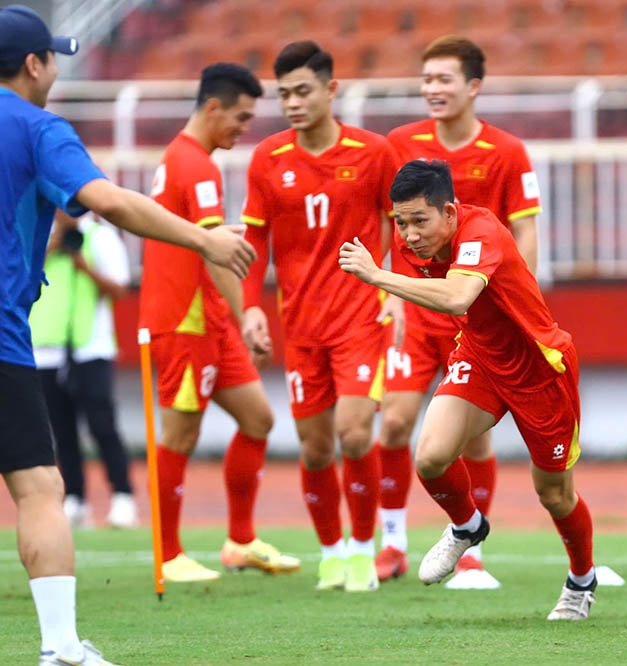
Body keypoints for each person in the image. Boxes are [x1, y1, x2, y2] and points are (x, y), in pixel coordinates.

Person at [0, 5, 255, 665]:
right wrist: (204, 237)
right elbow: (108, 201)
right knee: (39, 489)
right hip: (1, 341)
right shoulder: (38, 127)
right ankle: (59, 648)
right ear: (35, 64)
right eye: (53, 56)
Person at [339, 160, 596, 620]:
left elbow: (457, 297)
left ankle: (581, 579)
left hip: (539, 367)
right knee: (430, 457)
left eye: (421, 220)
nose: (410, 234)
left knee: (554, 494)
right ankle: (467, 526)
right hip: (478, 358)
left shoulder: (481, 232)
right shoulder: (411, 241)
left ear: (451, 213)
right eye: (401, 222)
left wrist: (377, 277)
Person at [375, 35, 542, 587]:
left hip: (477, 313)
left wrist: (524, 302)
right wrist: (388, 291)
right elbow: (388, 218)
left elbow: (524, 229)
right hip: (421, 307)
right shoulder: (400, 141)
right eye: (426, 79)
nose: (433, 89)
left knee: (474, 439)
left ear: (473, 86)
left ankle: (471, 551)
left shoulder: (508, 151)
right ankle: (392, 539)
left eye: (444, 79)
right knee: (395, 420)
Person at [240, 41, 398, 593]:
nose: (291, 102)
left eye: (302, 90)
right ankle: (331, 553)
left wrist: (398, 292)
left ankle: (362, 550)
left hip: (361, 318)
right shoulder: (268, 158)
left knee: (355, 435)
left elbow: (401, 225)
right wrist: (251, 307)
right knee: (314, 447)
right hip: (300, 325)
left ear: (331, 89)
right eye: (283, 93)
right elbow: (254, 240)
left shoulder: (375, 152)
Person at [138, 62, 300, 583]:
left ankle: (241, 541)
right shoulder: (196, 165)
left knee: (258, 419)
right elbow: (212, 253)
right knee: (180, 436)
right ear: (213, 108)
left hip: (208, 319)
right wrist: (249, 310)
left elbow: (198, 236)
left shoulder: (185, 160)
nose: (243, 128)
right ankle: (169, 555)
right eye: (240, 117)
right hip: (185, 319)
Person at [30, 210, 136, 529]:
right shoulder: (40, 237)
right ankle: (74, 497)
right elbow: (18, 279)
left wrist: (83, 265)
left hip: (91, 345)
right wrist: (49, 248)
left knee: (102, 424)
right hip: (47, 347)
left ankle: (123, 496)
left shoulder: (101, 237)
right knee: (61, 430)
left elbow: (120, 290)